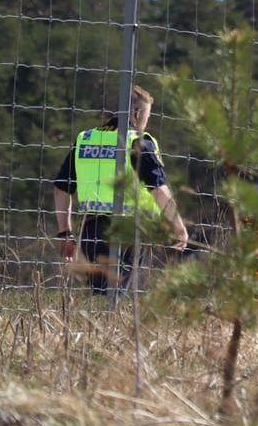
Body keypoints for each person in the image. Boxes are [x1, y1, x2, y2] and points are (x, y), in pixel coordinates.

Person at [52, 85, 189, 294]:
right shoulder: (138, 142)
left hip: (92, 227)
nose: (146, 123)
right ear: (136, 114)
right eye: (147, 116)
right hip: (128, 229)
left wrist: (65, 232)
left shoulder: (85, 140)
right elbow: (159, 190)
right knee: (116, 294)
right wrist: (178, 227)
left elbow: (61, 189)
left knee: (99, 293)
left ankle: (96, 325)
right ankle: (107, 326)